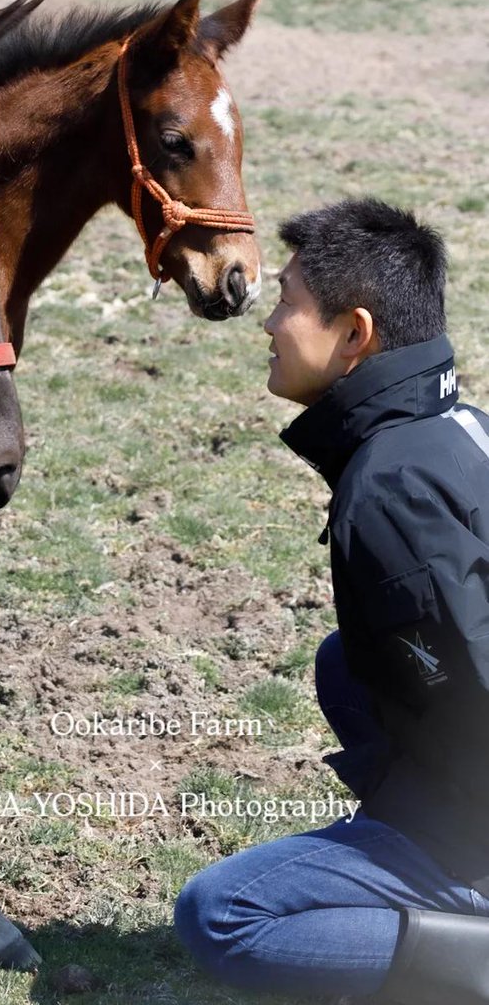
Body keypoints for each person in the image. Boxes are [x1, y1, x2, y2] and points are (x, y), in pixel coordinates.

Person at [174, 198, 489, 1003]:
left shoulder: (388, 489)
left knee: (221, 915)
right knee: (347, 664)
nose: (269, 322)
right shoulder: (457, 425)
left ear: (355, 335)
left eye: (287, 302)